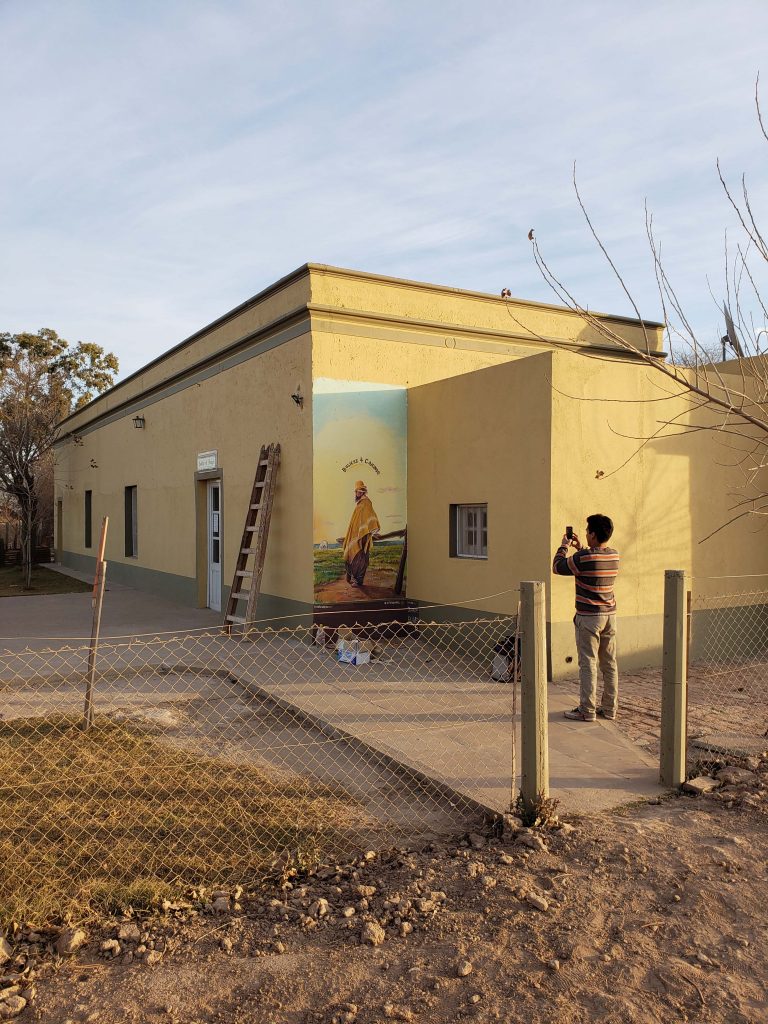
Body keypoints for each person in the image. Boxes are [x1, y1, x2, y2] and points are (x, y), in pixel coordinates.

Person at [552, 514, 620, 722]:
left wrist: (564, 545)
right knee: (609, 663)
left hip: (589, 617)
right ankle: (609, 709)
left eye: (587, 531)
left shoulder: (584, 558)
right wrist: (582, 548)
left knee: (588, 663)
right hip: (609, 616)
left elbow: (557, 566)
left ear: (592, 534)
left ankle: (587, 710)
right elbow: (592, 561)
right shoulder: (614, 555)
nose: (585, 533)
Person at [342, 480, 380, 588]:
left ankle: (358, 581)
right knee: (352, 554)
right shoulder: (360, 503)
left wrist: (369, 531)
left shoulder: (366, 503)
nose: (356, 494)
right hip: (355, 536)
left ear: (362, 492)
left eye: (358, 492)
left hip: (362, 536)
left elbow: (370, 518)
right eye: (356, 492)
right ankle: (353, 578)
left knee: (360, 557)